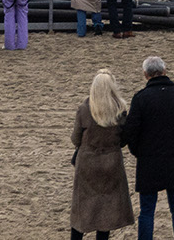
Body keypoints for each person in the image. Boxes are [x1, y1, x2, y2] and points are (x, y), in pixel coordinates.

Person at [123, 54, 174, 240]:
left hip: (149, 160)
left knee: (147, 210)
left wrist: (137, 151)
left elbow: (130, 131)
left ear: (146, 75)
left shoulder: (141, 98)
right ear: (164, 71)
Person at [71, 68, 136, 240]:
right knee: (106, 210)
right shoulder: (120, 109)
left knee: (81, 209)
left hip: (88, 162)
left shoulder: (84, 109)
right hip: (111, 161)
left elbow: (75, 139)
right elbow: (123, 139)